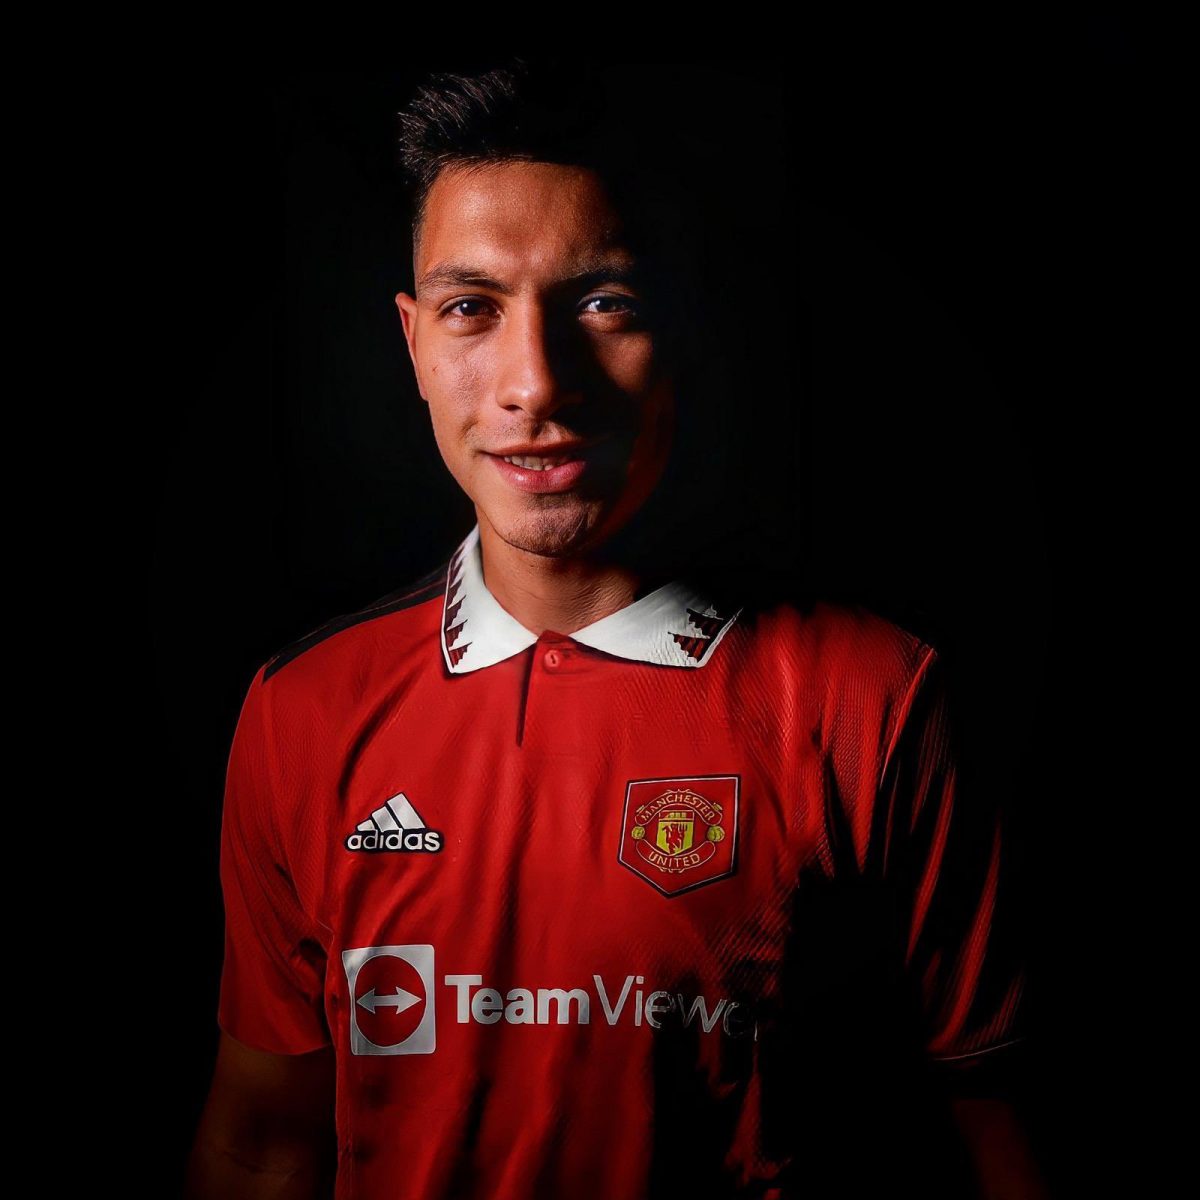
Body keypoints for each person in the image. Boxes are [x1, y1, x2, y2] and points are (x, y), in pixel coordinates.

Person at [185, 60, 1050, 1199]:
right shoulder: (304, 710)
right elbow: (260, 1140)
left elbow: (990, 1136)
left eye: (602, 303)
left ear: (679, 331)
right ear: (414, 343)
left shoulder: (873, 701)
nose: (536, 384)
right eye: (471, 308)